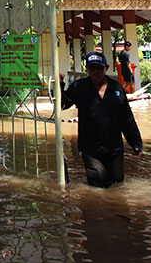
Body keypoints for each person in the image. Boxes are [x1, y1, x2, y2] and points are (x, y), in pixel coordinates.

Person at [61, 52, 143, 188]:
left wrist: (135, 142)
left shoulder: (116, 88)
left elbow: (127, 118)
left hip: (114, 147)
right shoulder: (79, 87)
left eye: (99, 68)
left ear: (106, 68)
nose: (95, 72)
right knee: (98, 179)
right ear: (87, 68)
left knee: (117, 183)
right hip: (90, 147)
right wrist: (59, 85)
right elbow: (62, 104)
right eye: (92, 68)